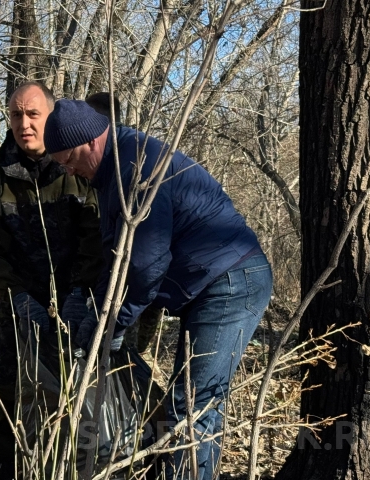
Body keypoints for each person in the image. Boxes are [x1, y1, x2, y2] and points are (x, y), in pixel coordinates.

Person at [43, 100, 273, 480]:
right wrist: (96, 313)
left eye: (68, 160)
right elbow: (117, 255)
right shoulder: (116, 169)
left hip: (231, 282)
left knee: (195, 408)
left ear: (90, 143)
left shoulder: (134, 168)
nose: (68, 170)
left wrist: (112, 325)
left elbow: (145, 264)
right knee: (185, 400)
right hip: (209, 284)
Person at [0, 82, 103, 480]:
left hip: (78, 302)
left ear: (51, 115)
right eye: (15, 115)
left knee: (80, 395)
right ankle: (7, 472)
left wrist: (81, 291)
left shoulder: (78, 167)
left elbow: (97, 239)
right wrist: (15, 296)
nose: (23, 124)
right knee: (14, 392)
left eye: (33, 115)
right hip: (20, 304)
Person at [85, 92, 164, 353]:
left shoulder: (130, 161)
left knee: (128, 358)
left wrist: (117, 323)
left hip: (135, 286)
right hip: (114, 281)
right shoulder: (103, 163)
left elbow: (147, 262)